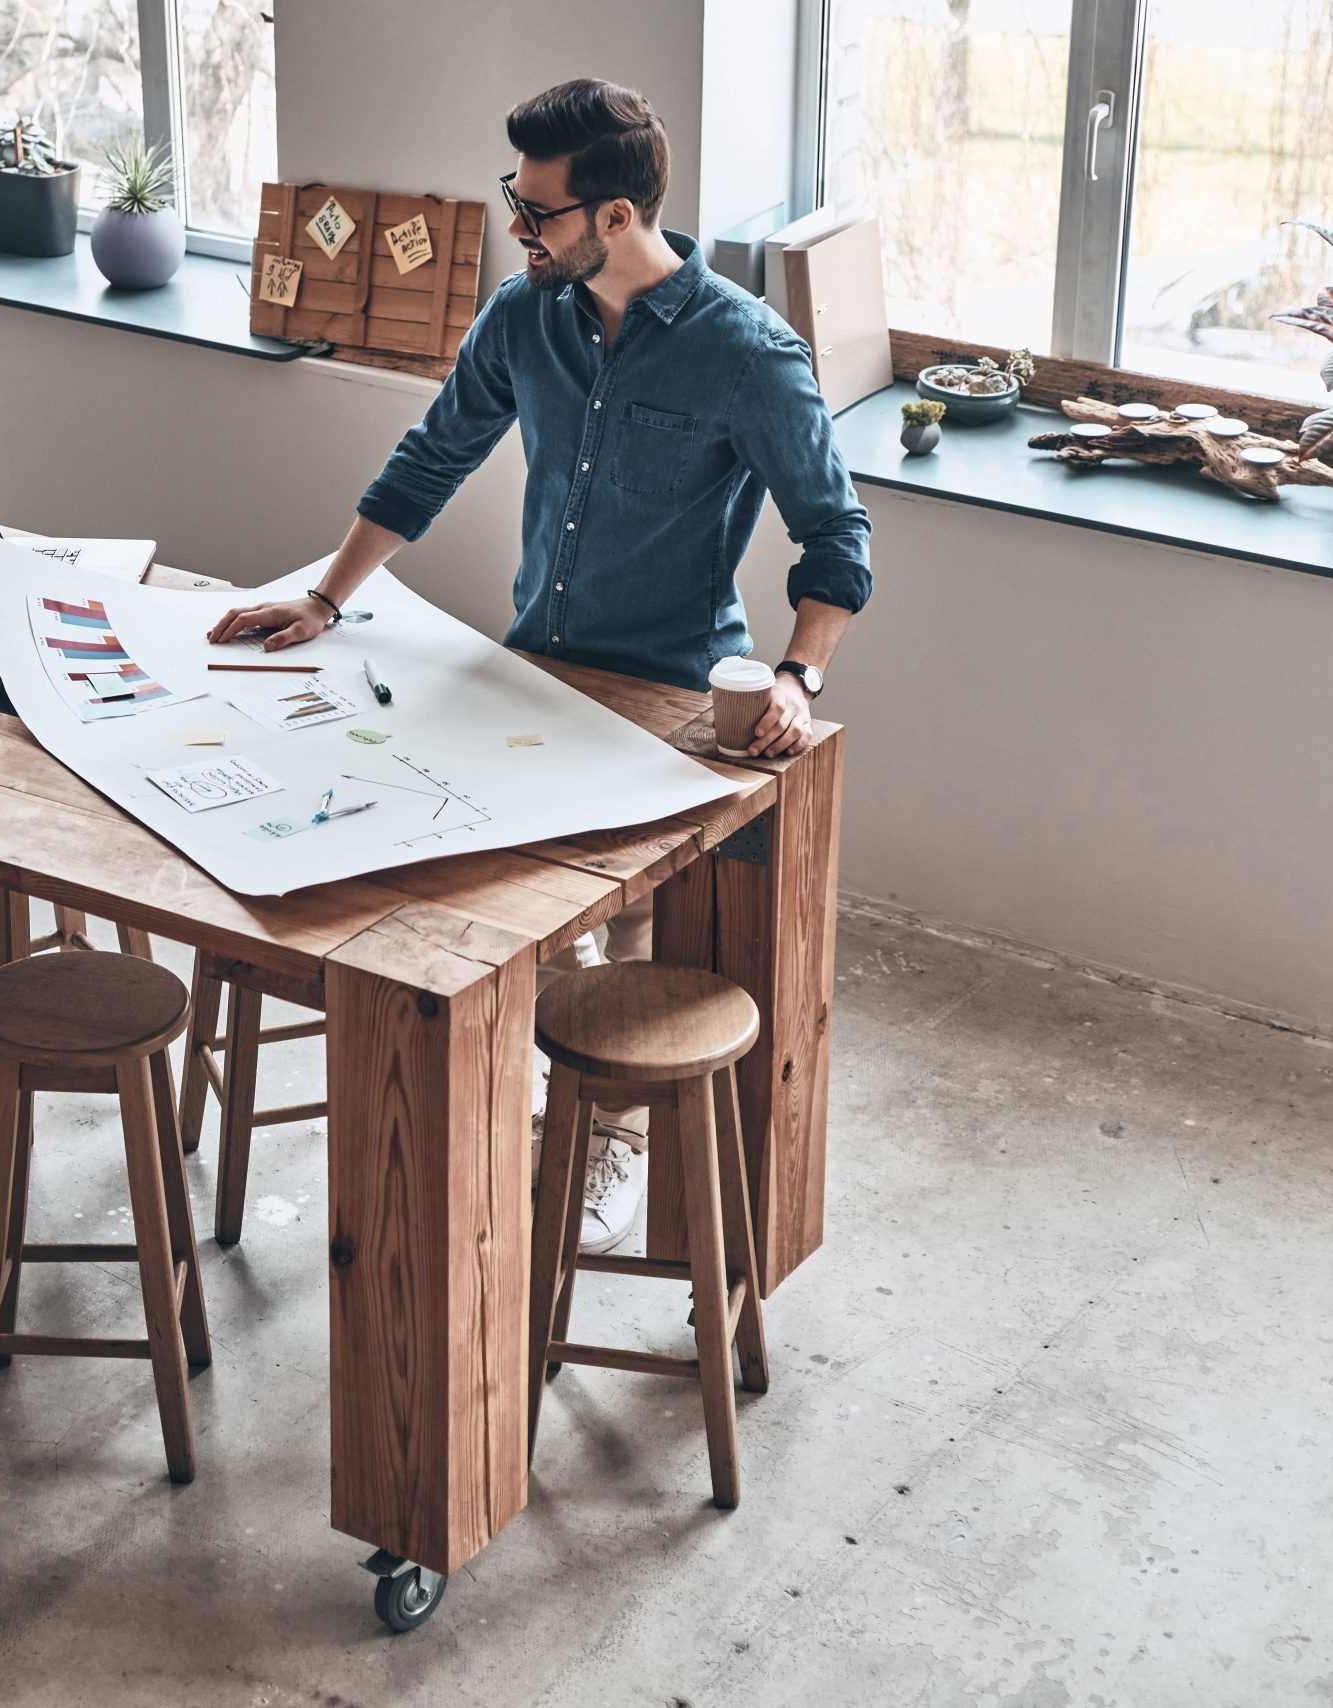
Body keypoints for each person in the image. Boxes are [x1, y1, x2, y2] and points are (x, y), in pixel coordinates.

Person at [209, 80, 871, 1255]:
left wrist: (795, 677)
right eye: (514, 201)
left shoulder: (746, 354)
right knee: (513, 925)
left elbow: (835, 535)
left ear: (614, 217)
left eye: (537, 212)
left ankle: (608, 1131)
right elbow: (428, 462)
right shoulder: (526, 318)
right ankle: (531, 1111)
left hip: (668, 700)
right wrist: (322, 597)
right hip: (531, 677)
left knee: (627, 944)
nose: (517, 229)